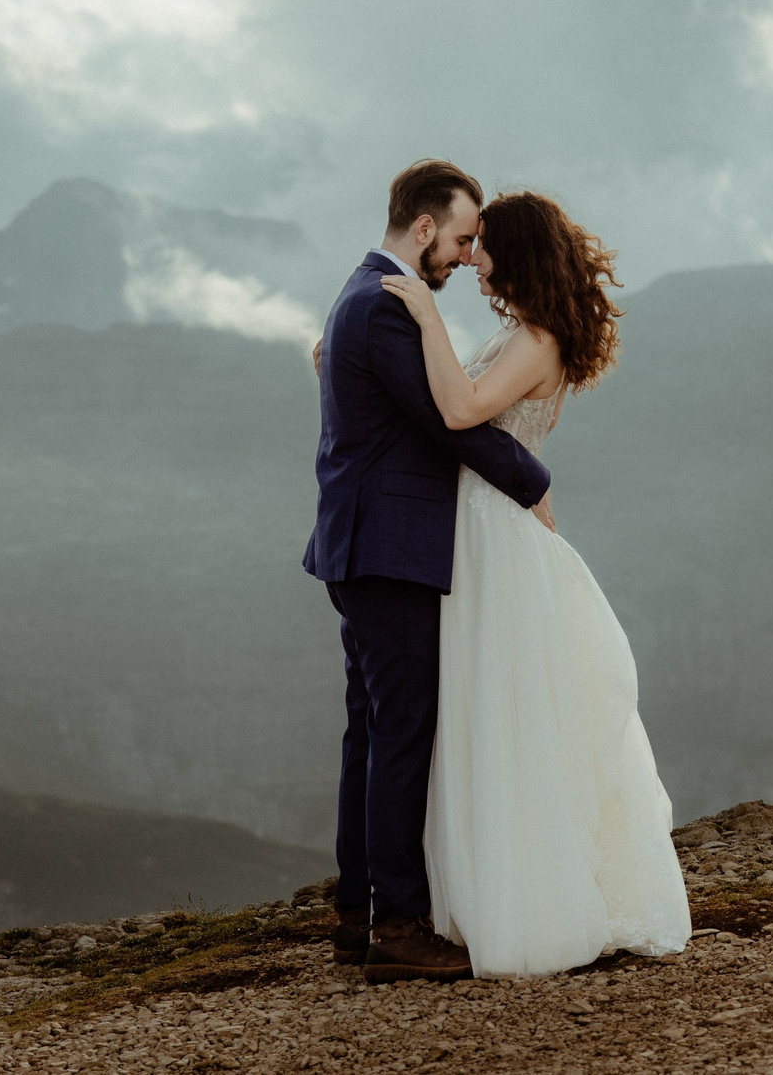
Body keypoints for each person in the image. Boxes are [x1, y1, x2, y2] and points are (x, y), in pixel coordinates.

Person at [381, 189, 691, 976]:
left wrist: (424, 320)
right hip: (480, 533)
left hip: (497, 540)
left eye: (483, 244)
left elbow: (459, 411)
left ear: (512, 250)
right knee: (487, 712)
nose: (472, 256)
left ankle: (531, 908)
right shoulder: (522, 331)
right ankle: (486, 896)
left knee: (506, 714)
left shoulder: (538, 339)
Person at [304, 160, 552, 984]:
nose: (463, 255)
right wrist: (534, 485)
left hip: (365, 545)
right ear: (422, 229)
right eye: (459, 239)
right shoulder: (384, 308)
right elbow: (451, 424)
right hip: (390, 550)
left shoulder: (361, 293)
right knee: (401, 734)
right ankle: (399, 927)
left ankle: (357, 911)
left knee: (370, 733)